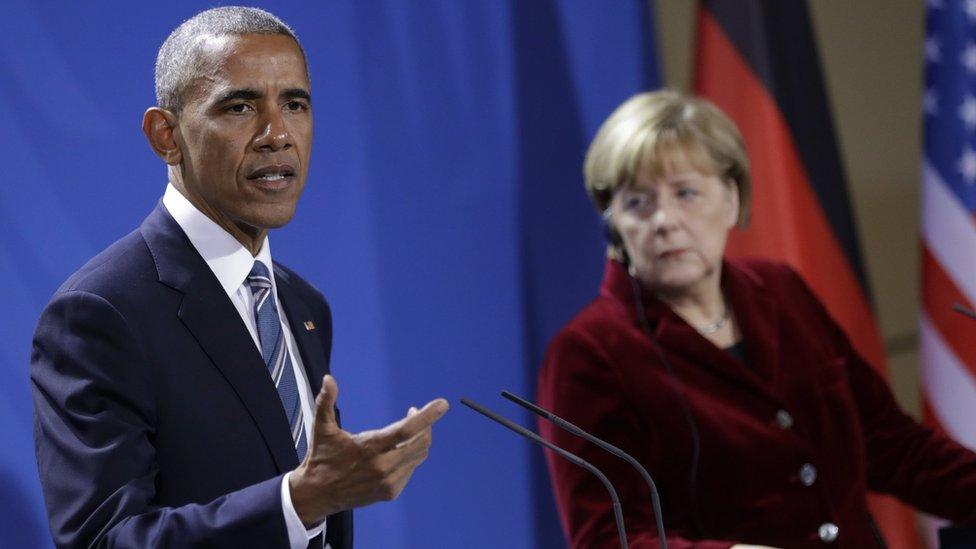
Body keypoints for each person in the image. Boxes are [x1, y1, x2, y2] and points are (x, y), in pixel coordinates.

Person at [30, 7, 448, 548]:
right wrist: (302, 500)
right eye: (240, 106)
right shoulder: (100, 313)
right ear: (166, 136)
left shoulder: (302, 304)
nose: (277, 134)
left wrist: (316, 495)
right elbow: (105, 540)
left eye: (294, 104)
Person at [536, 90, 976, 549]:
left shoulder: (781, 292)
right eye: (638, 203)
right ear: (614, 226)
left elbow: (890, 444)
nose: (664, 220)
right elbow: (607, 539)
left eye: (686, 192)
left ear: (732, 199)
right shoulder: (588, 354)